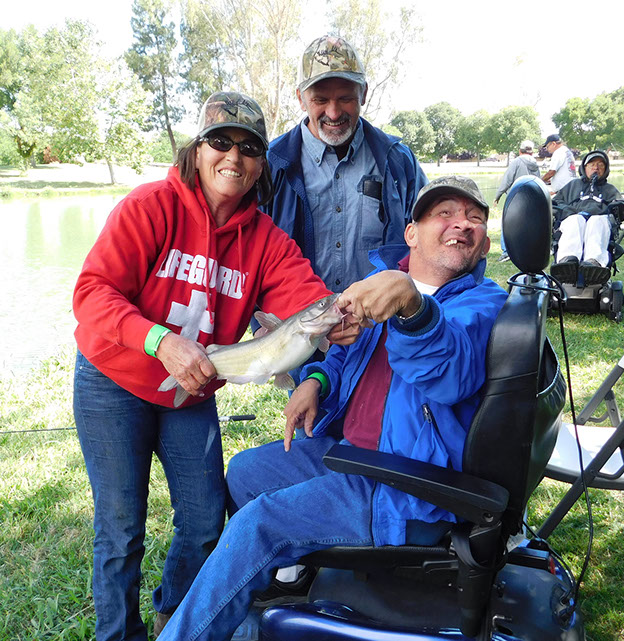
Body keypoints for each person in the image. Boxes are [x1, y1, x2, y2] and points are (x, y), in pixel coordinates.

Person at [155, 176, 509, 641]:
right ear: (411, 233)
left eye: (475, 218)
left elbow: (450, 374)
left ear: (483, 246)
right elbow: (343, 351)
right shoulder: (375, 286)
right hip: (350, 451)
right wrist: (317, 381)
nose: (461, 224)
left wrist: (413, 306)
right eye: (444, 213)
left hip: (402, 485)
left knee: (258, 525)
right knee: (244, 473)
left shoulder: (483, 304)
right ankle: (290, 577)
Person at [71, 91, 360, 641]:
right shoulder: (149, 206)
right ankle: (117, 634)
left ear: (262, 165)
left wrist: (342, 314)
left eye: (250, 147)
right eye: (220, 142)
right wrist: (160, 341)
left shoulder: (267, 241)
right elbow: (92, 292)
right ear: (197, 151)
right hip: (113, 382)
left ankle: (173, 621)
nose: (234, 156)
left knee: (204, 521)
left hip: (192, 394)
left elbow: (309, 298)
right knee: (121, 526)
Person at [262, 35, 427, 294]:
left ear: (363, 93)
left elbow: (426, 244)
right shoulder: (271, 164)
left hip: (380, 327)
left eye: (345, 98)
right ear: (300, 99)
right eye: (320, 100)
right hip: (296, 326)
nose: (334, 112)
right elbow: (248, 256)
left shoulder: (398, 163)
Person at [550, 150, 624, 286]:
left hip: (599, 220)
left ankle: (594, 262)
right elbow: (556, 202)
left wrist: (608, 209)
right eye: (591, 164)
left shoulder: (610, 189)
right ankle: (567, 261)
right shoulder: (572, 185)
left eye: (600, 165)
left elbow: (620, 207)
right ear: (584, 168)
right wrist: (571, 211)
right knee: (575, 220)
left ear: (606, 169)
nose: (596, 168)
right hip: (573, 218)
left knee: (597, 221)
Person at [493, 139, 541, 261]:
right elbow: (538, 180)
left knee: (507, 223)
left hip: (517, 198)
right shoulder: (535, 164)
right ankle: (528, 250)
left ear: (520, 151)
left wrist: (498, 196)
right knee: (528, 225)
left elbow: (507, 180)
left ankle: (506, 252)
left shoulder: (517, 161)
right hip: (532, 199)